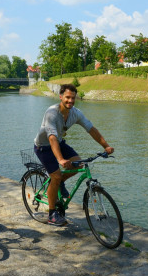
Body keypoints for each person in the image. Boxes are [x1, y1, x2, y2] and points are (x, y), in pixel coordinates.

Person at [34, 83, 114, 226]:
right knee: (56, 176)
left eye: (73, 98)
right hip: (44, 147)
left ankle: (59, 184)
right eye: (67, 97)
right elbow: (51, 137)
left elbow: (91, 129)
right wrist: (60, 159)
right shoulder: (51, 113)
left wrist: (106, 146)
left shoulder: (76, 113)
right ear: (60, 97)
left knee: (78, 164)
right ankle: (52, 214)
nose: (70, 101)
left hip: (59, 142)